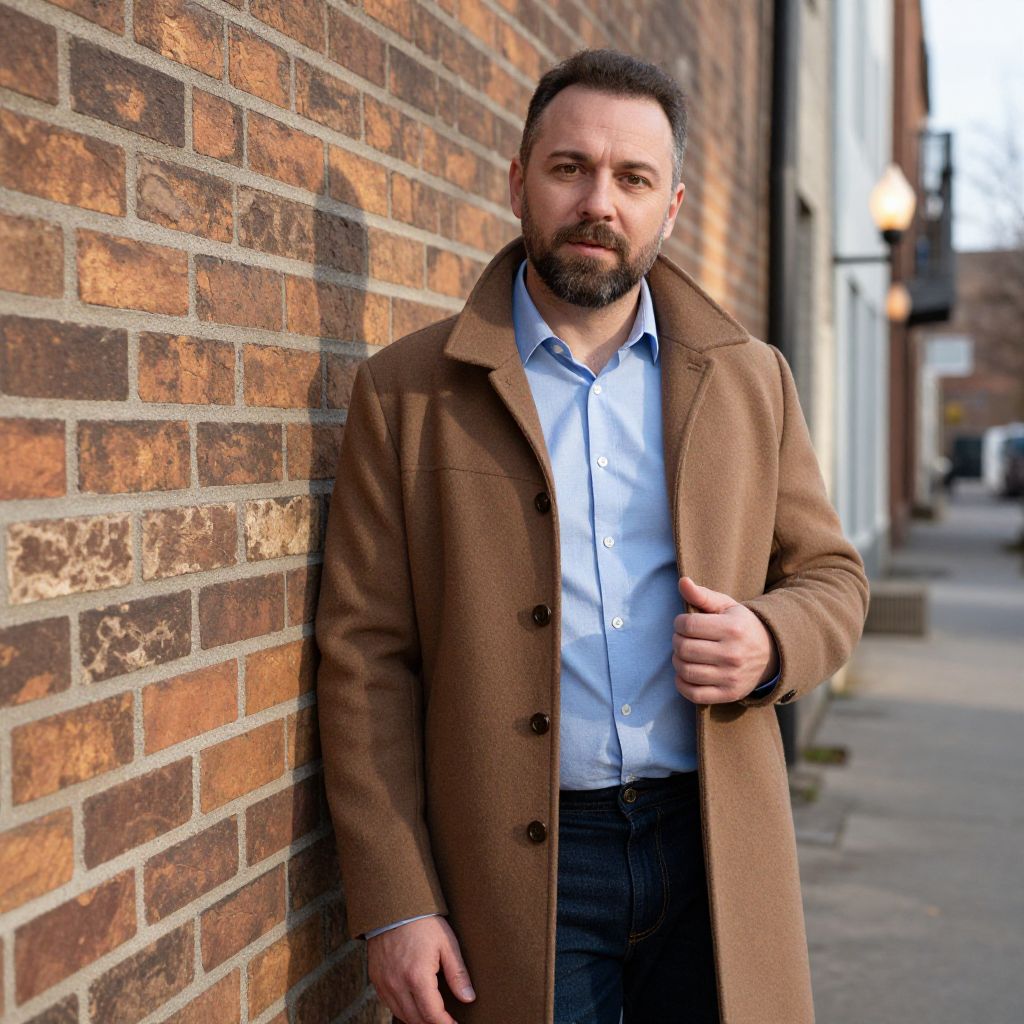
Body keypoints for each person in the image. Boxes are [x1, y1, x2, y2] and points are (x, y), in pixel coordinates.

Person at [316, 49, 868, 1024]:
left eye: (632, 178)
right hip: (516, 870)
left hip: (712, 848)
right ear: (521, 180)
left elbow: (831, 575)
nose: (598, 201)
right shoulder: (404, 394)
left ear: (672, 205)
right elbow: (365, 657)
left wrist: (771, 639)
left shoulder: (750, 380)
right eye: (570, 168)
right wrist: (396, 899)